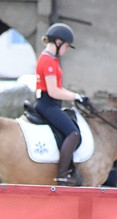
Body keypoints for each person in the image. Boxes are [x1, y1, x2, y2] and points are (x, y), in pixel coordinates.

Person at [34, 22, 90, 186]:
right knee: (73, 133)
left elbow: (58, 88)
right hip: (48, 104)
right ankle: (62, 175)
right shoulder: (48, 61)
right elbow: (53, 91)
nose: (66, 49)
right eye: (66, 46)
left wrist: (77, 96)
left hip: (50, 103)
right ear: (58, 42)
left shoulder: (51, 59)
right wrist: (76, 96)